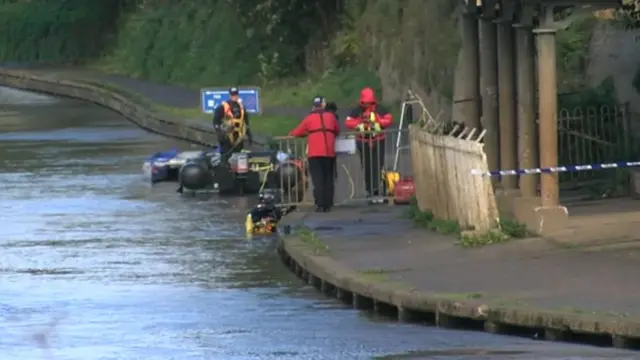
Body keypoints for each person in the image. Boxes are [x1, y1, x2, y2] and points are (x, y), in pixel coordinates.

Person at [289, 96, 340, 212]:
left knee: (318, 179)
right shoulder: (331, 117)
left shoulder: (309, 118)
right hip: (329, 151)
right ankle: (328, 203)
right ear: (323, 105)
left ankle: (320, 204)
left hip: (315, 153)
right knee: (328, 178)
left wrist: (291, 133)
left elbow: (298, 132)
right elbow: (337, 130)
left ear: (313, 106)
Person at [345, 87, 393, 198]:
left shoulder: (380, 109)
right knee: (366, 165)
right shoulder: (357, 110)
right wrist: (359, 123)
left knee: (378, 164)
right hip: (363, 142)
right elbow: (348, 121)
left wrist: (378, 122)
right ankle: (369, 188)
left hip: (378, 140)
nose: (367, 105)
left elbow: (389, 119)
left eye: (369, 103)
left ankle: (376, 187)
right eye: (365, 103)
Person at [213, 87, 253, 163]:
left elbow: (245, 122)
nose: (235, 97)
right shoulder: (223, 107)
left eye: (236, 95)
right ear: (230, 95)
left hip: (239, 137)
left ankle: (238, 172)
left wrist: (249, 135)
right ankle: (224, 170)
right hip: (227, 136)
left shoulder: (241, 107)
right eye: (233, 95)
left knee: (239, 157)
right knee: (226, 157)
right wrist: (219, 133)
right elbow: (216, 121)